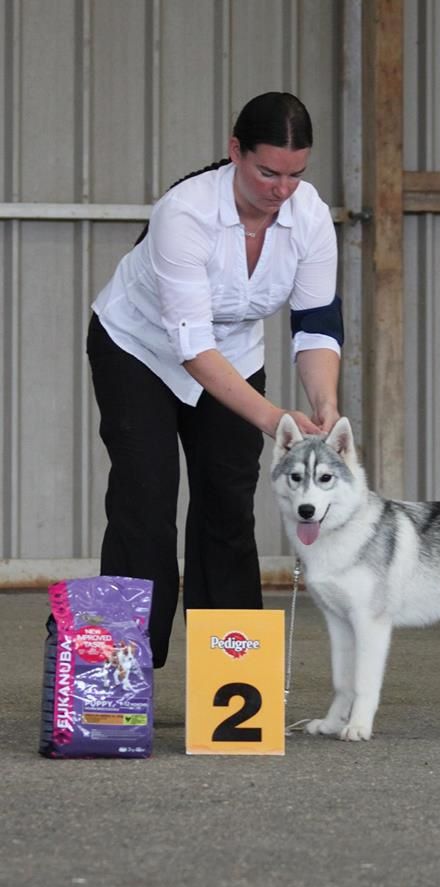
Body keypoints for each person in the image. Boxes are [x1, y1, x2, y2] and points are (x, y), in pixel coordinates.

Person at [86, 91, 343, 668]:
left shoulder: (309, 217)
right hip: (139, 350)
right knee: (145, 498)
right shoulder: (185, 213)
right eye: (268, 172)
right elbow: (192, 347)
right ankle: (125, 668)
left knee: (228, 501)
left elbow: (316, 325)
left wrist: (323, 406)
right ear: (235, 151)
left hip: (233, 355)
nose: (281, 190)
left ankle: (229, 669)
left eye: (295, 175)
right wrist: (276, 419)